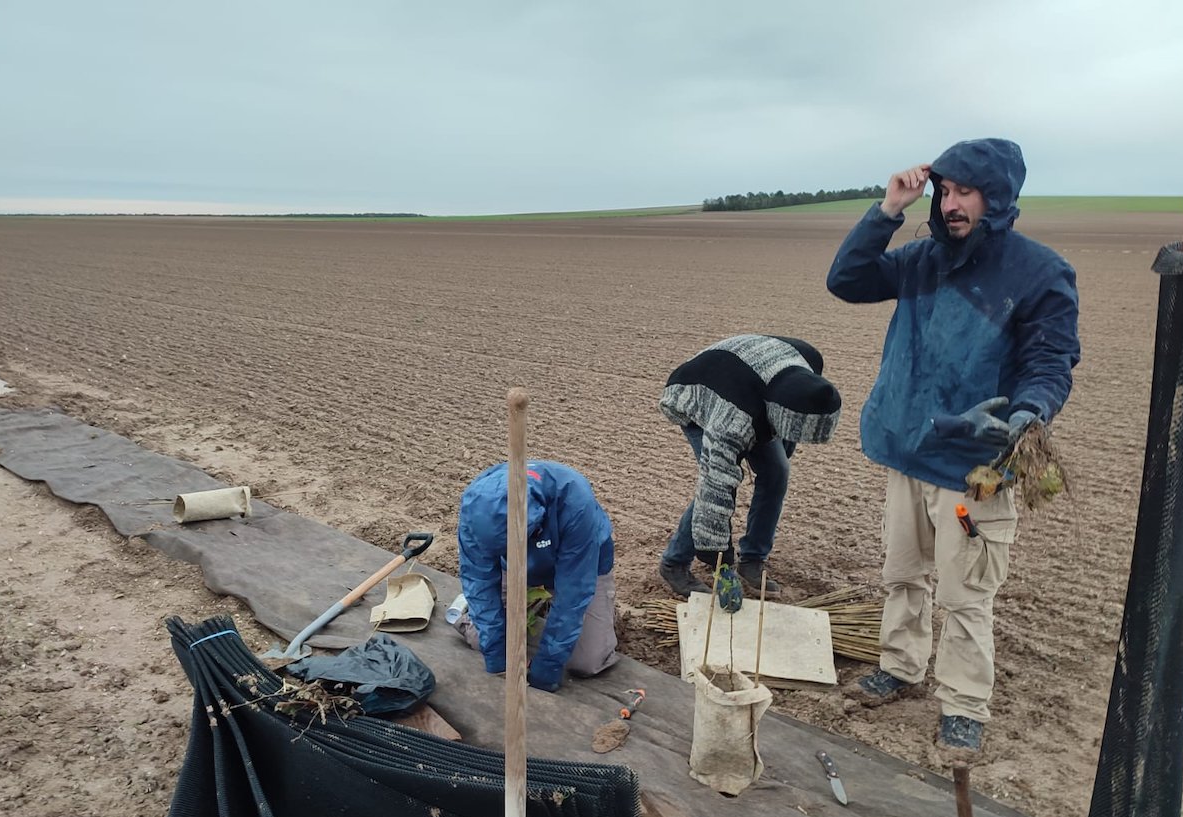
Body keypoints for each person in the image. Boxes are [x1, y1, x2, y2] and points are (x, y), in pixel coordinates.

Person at [826, 138, 1080, 754]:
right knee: (902, 575)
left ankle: (964, 702)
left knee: (966, 595)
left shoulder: (1037, 272)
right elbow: (847, 280)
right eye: (944, 191)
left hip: (973, 468)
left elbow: (1051, 361)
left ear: (997, 197)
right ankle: (902, 665)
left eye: (964, 191)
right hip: (907, 449)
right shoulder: (922, 260)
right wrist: (888, 209)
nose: (950, 203)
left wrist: (1028, 413)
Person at [658, 334, 842, 600]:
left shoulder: (808, 364)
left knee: (777, 471)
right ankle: (674, 563)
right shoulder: (731, 423)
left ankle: (752, 558)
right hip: (698, 394)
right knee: (721, 486)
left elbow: (791, 430)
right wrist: (720, 565)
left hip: (751, 385)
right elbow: (715, 490)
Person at [453, 459, 619, 693]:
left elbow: (573, 593)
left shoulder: (573, 499)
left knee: (586, 662)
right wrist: (498, 659)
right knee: (484, 640)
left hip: (582, 568)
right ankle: (466, 608)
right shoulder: (476, 507)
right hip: (515, 569)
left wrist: (548, 666)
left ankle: (600, 609)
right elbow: (479, 579)